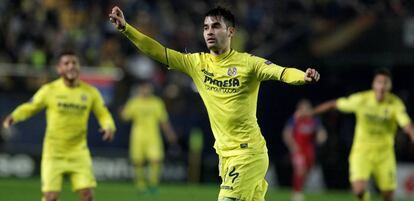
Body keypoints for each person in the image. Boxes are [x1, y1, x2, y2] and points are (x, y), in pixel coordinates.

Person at [109, 6, 320, 201]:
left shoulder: (248, 63)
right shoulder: (196, 63)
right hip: (225, 156)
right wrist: (127, 29)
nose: (209, 31)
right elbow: (158, 51)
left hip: (248, 154)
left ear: (230, 32)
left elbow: (281, 72)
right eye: (206, 27)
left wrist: (303, 76)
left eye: (216, 26)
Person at [2, 51, 116, 201]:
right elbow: (31, 106)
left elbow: (103, 113)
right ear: (59, 69)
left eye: (74, 63)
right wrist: (14, 116)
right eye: (66, 63)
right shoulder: (49, 90)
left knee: (87, 195)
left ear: (79, 67)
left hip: (79, 151)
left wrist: (109, 126)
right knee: (50, 197)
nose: (71, 67)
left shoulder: (90, 92)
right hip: (54, 152)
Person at [312, 69, 414, 201]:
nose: (382, 86)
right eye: (379, 82)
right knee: (359, 190)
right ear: (373, 84)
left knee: (388, 196)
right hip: (362, 151)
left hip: (384, 154)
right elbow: (334, 104)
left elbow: (407, 124)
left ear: (390, 86)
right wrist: (311, 113)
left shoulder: (395, 103)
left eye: (385, 83)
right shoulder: (362, 99)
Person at [120, 81, 177, 194]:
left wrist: (170, 134)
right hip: (138, 136)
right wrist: (121, 111)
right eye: (144, 88)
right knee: (138, 161)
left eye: (148, 88)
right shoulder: (134, 102)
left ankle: (153, 185)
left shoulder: (157, 103)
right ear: (140, 89)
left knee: (156, 160)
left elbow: (163, 121)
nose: (146, 90)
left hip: (153, 136)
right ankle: (141, 186)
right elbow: (125, 117)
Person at [282, 99, 327, 201]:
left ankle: (300, 188)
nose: (305, 110)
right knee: (299, 170)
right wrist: (292, 145)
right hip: (298, 149)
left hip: (309, 149)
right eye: (303, 108)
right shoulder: (294, 119)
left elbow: (321, 132)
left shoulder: (313, 120)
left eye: (307, 108)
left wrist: (322, 136)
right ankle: (296, 193)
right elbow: (286, 133)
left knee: (307, 170)